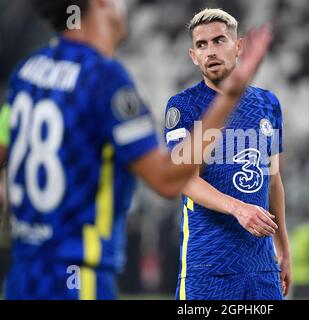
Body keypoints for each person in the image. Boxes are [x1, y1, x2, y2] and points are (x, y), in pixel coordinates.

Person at [0, 0, 273, 299]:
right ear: (102, 3)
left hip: (23, 276)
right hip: (77, 277)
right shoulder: (103, 78)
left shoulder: (26, 72)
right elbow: (167, 180)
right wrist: (229, 97)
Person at [164, 8, 291, 300]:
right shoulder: (183, 107)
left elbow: (273, 180)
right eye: (201, 45)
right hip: (207, 265)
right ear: (193, 56)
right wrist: (239, 208)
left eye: (219, 41)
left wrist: (283, 248)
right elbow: (185, 180)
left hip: (262, 269)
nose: (210, 51)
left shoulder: (268, 104)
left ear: (239, 46)